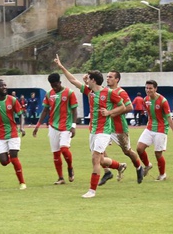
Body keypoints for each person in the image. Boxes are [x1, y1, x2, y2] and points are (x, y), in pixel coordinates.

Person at [54, 55, 127, 199]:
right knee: (100, 160)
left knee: (95, 159)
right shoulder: (90, 92)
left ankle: (92, 191)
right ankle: (119, 166)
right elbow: (73, 80)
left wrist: (109, 112)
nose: (86, 79)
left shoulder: (109, 93)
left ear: (93, 80)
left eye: (89, 77)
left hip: (104, 131)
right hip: (93, 131)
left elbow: (123, 107)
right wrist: (61, 66)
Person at [98, 71, 144, 186]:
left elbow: (129, 107)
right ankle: (107, 171)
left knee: (127, 151)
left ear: (117, 79)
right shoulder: (105, 91)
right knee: (98, 150)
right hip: (106, 127)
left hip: (119, 128)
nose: (107, 79)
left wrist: (112, 113)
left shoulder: (121, 92)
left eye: (110, 77)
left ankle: (139, 167)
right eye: (107, 77)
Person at [33, 73, 78, 185]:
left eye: (56, 85)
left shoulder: (69, 93)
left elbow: (74, 110)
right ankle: (61, 178)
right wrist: (38, 125)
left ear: (60, 82)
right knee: (56, 153)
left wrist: (73, 126)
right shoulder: (49, 94)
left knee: (64, 149)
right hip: (53, 126)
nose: (54, 88)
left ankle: (70, 167)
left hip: (66, 126)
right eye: (52, 86)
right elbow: (45, 110)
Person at [137, 80, 173, 181]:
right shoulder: (145, 99)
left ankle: (162, 174)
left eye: (150, 88)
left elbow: (169, 117)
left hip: (161, 129)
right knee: (139, 148)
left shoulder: (163, 101)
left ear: (155, 89)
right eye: (146, 88)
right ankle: (147, 165)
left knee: (158, 153)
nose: (148, 90)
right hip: (150, 127)